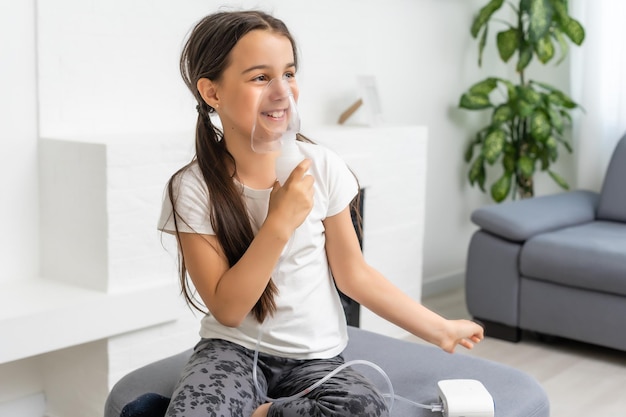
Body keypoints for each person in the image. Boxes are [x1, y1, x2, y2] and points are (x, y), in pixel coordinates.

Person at [158, 10, 484, 417]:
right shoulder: (192, 188)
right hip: (232, 349)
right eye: (260, 78)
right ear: (212, 93)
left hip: (315, 359)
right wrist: (279, 222)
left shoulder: (323, 166)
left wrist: (440, 329)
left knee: (364, 409)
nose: (282, 93)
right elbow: (227, 309)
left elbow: (354, 275)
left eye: (289, 74)